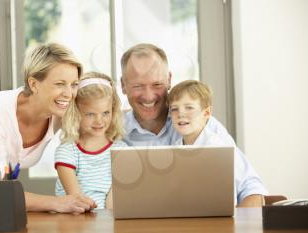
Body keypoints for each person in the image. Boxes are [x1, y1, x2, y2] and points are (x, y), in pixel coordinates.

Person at [120, 43, 267, 207]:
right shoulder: (113, 131)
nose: (148, 96)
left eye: (157, 84)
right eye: (138, 86)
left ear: (169, 80)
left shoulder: (203, 126)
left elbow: (252, 190)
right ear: (123, 86)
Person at [0, 43, 95, 216]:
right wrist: (57, 202)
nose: (69, 94)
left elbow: (102, 108)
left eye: (74, 84)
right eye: (60, 84)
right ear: (34, 84)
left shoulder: (59, 109)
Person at [168, 80, 268, 206]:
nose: (180, 114)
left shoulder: (220, 147)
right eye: (174, 109)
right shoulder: (174, 148)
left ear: (206, 113)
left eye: (189, 107)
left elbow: (230, 193)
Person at [54, 72, 127, 210]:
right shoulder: (67, 151)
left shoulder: (121, 150)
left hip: (107, 220)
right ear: (75, 113)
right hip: (76, 219)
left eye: (105, 113)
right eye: (90, 114)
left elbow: (114, 203)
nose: (99, 121)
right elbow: (77, 201)